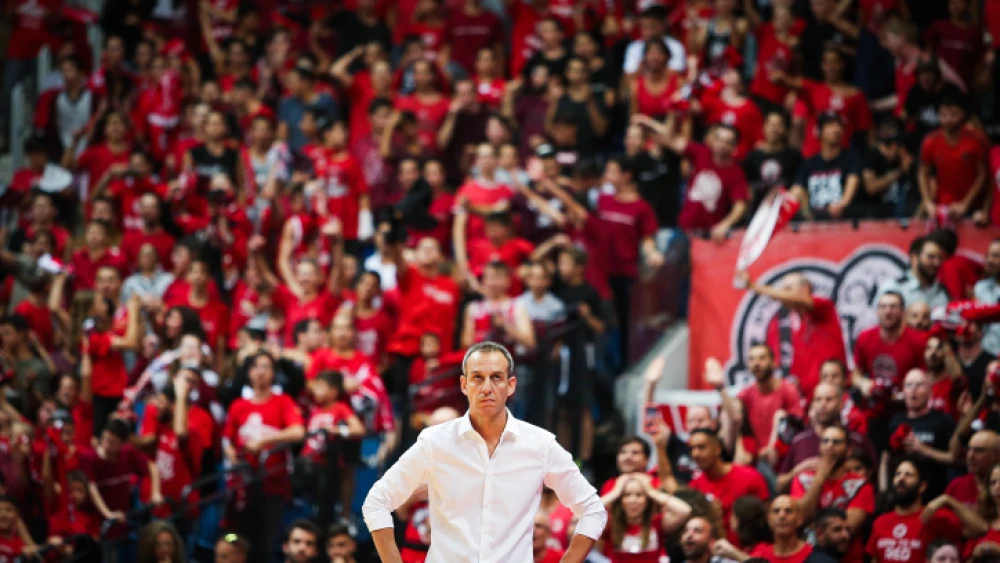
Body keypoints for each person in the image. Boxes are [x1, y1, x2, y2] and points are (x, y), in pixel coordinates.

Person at [362, 341, 608, 562]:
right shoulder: (435, 441)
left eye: (496, 377)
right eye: (477, 377)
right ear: (464, 384)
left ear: (511, 385)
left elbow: (593, 510)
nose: (487, 387)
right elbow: (376, 502)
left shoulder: (540, 444)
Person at [735, 272, 846, 401]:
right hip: (811, 401)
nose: (782, 294)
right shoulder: (798, 325)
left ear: (805, 289)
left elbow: (798, 299)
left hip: (833, 398)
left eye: (787, 289)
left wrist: (754, 286)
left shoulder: (824, 307)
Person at [789, 425, 874, 562]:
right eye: (825, 441)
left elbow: (845, 530)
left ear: (848, 450)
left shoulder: (861, 484)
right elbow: (800, 518)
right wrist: (819, 479)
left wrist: (813, 525)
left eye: (836, 442)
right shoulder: (802, 479)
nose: (829, 446)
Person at [866, 458, 963, 563]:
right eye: (897, 474)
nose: (901, 478)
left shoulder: (934, 517)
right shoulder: (880, 522)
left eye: (908, 475)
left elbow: (979, 528)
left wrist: (948, 500)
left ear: (922, 486)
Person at [687, 429, 770, 537]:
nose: (695, 454)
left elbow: (767, 517)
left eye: (701, 447)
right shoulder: (693, 489)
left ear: (717, 449)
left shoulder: (750, 477)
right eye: (692, 448)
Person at [599, 474, 692, 562]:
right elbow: (586, 514)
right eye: (626, 495)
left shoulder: (657, 522)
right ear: (620, 500)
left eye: (639, 495)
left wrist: (651, 491)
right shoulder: (610, 523)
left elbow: (685, 510)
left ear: (647, 500)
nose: (633, 500)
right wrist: (615, 492)